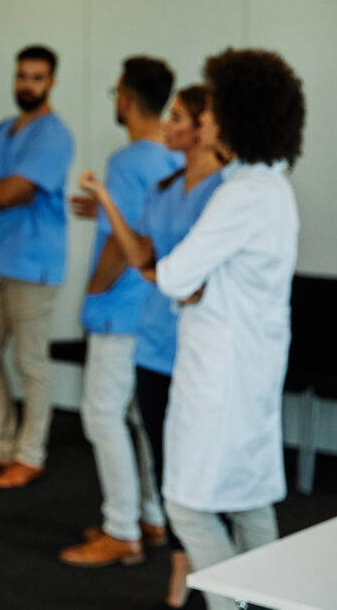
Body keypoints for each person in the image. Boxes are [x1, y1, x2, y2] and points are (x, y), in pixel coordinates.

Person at [154, 49, 303, 610]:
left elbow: (172, 274)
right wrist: (198, 281)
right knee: (249, 503)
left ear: (238, 116)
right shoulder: (267, 186)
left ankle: (231, 604)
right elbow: (192, 277)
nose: (204, 118)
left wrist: (194, 281)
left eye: (211, 107)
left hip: (222, 378)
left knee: (189, 506)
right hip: (245, 372)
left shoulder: (242, 195)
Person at [74, 84, 225, 608]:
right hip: (155, 332)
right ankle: (161, 538)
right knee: (153, 439)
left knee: (117, 423)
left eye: (181, 117)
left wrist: (98, 282)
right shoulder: (165, 179)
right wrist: (105, 202)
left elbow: (157, 257)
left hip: (163, 330)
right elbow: (144, 244)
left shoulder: (219, 187)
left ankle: (132, 532)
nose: (169, 124)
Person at [58, 56, 182, 567]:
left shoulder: (129, 161)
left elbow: (121, 244)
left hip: (119, 311)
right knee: (138, 417)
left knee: (102, 415)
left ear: (126, 99)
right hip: (157, 311)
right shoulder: (177, 159)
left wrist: (94, 286)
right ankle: (150, 516)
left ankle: (122, 529)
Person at [0, 45, 74, 488]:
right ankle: (0, 444)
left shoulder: (54, 135)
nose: (27, 84)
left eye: (37, 77)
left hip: (33, 265)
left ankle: (30, 454)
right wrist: (0, 188)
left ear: (51, 81)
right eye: (22, 75)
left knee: (30, 363)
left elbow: (7, 194)